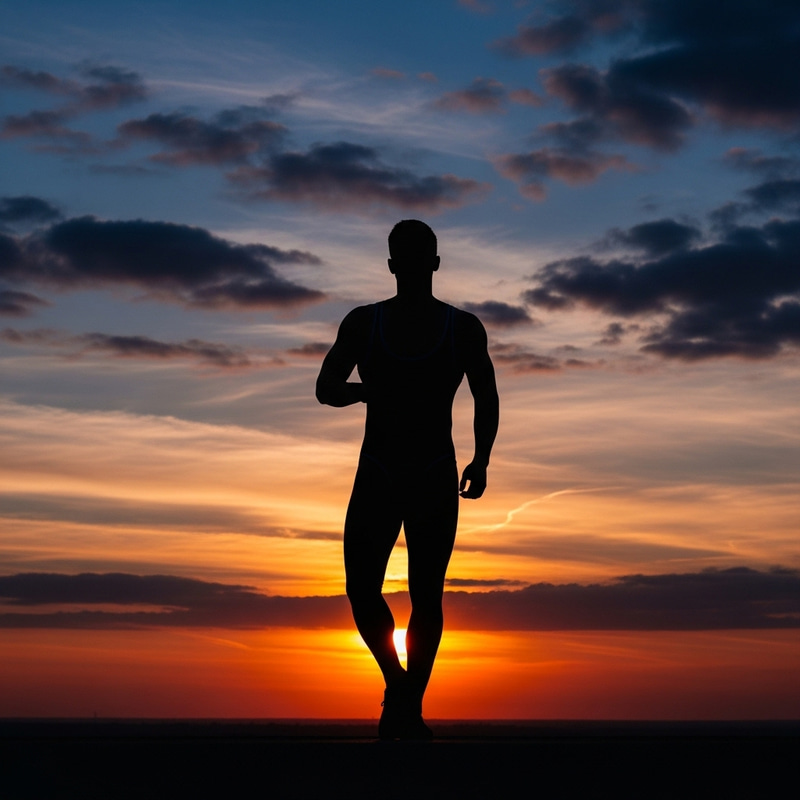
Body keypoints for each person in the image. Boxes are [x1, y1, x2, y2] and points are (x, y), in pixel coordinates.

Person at [316, 219, 499, 739]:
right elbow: (326, 386)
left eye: (422, 257)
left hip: (433, 472)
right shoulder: (363, 323)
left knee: (426, 594)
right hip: (380, 469)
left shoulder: (462, 328)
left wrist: (482, 459)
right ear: (393, 264)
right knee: (361, 588)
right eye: (409, 257)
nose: (416, 266)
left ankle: (407, 708)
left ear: (433, 264)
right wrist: (367, 392)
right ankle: (400, 688)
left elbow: (486, 396)